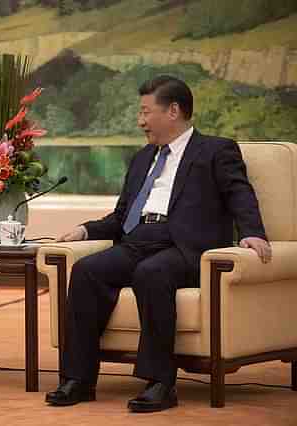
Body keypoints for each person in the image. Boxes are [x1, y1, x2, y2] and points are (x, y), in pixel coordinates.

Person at [45, 76, 271, 412]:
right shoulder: (142, 158)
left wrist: (253, 231)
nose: (140, 121)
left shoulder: (215, 150)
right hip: (139, 238)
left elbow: (239, 192)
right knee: (87, 270)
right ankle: (78, 379)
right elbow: (122, 216)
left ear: (174, 111)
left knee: (152, 273)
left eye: (145, 112)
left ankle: (161, 383)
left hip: (185, 246)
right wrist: (84, 230)